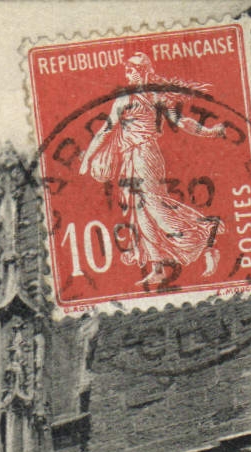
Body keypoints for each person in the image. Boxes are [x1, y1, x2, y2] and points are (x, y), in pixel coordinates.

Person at [77, 52, 228, 290]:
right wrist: (88, 157)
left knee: (155, 206)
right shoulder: (124, 99)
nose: (128, 75)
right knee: (139, 212)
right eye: (127, 71)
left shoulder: (153, 97)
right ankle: (157, 268)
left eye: (132, 71)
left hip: (145, 154)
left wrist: (209, 132)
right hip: (129, 158)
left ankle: (207, 236)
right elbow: (105, 130)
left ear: (143, 73)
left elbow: (181, 122)